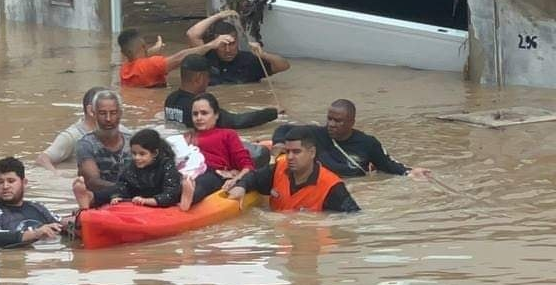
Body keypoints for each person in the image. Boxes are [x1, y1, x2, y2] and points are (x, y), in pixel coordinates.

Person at [272, 99, 432, 179]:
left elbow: (387, 164)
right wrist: (278, 143)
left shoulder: (368, 143)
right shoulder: (315, 133)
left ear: (351, 123)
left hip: (353, 184)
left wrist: (411, 172)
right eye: (329, 119)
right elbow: (284, 128)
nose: (332, 124)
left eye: (338, 121)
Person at [228, 127, 360, 212]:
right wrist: (242, 186)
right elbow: (254, 177)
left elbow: (353, 218)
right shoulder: (279, 168)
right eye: (287, 151)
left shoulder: (332, 187)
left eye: (296, 152)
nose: (290, 157)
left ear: (312, 152)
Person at [179, 93, 255, 211]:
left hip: (214, 174)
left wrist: (236, 180)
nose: (199, 117)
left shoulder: (228, 134)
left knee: (200, 183)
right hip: (187, 171)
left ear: (216, 115)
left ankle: (187, 197)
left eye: (204, 113)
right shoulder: (186, 137)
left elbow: (247, 166)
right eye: (195, 114)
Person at [73, 128, 182, 208]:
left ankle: (188, 197)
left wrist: (149, 201)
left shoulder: (166, 166)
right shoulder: (132, 166)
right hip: (139, 196)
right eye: (134, 153)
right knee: (114, 189)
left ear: (154, 153)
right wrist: (117, 196)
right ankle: (89, 197)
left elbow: (171, 194)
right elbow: (123, 185)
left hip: (160, 197)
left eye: (142, 154)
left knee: (186, 190)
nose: (137, 158)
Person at [0, 157, 73, 247]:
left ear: (24, 183)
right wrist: (35, 234)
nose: (5, 186)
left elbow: (60, 224)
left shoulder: (37, 207)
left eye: (11, 181)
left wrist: (80, 217)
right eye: (0, 182)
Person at [164, 54, 278, 129]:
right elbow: (237, 122)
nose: (209, 80)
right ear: (198, 78)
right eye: (208, 76)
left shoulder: (170, 100)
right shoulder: (199, 107)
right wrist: (273, 112)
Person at [36, 86, 128, 172]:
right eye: (103, 111)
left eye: (113, 112)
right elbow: (42, 159)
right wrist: (58, 177)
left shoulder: (123, 132)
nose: (108, 118)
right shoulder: (73, 136)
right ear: (91, 110)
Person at [185, 9, 290, 85]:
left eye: (232, 44)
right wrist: (218, 16)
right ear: (216, 43)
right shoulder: (205, 57)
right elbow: (192, 34)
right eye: (223, 45)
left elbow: (284, 66)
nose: (228, 50)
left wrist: (264, 55)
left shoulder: (249, 61)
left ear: (237, 42)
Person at [118, 28, 235, 88]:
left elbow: (138, 60)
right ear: (143, 45)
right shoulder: (150, 65)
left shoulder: (125, 69)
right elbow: (179, 58)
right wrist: (211, 44)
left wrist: (153, 50)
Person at [75, 90, 132, 191]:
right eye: (102, 113)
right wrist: (126, 189)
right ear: (93, 113)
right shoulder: (86, 144)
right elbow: (92, 181)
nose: (108, 119)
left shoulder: (133, 142)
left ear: (120, 113)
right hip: (101, 200)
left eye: (113, 113)